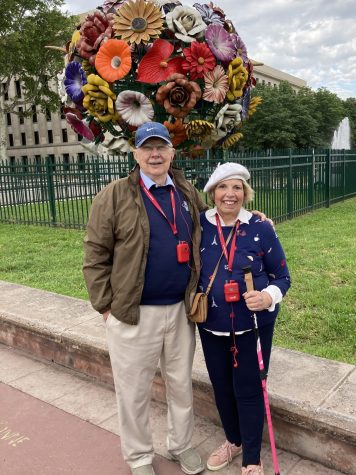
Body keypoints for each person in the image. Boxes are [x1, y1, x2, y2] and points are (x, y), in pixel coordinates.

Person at [82, 122, 207, 475]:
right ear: (135, 154)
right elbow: (95, 254)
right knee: (134, 392)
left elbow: (212, 226)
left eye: (161, 147)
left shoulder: (185, 191)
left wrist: (250, 219)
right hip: (134, 314)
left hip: (182, 312)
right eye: (147, 148)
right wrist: (106, 307)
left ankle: (181, 445)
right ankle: (138, 457)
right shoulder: (115, 195)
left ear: (171, 153)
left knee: (181, 386)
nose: (155, 154)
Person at [197, 163, 291, 475]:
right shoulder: (199, 225)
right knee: (221, 387)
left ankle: (252, 458)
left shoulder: (260, 228)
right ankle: (233, 441)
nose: (230, 194)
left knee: (249, 390)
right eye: (223, 187)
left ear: (245, 194)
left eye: (237, 188)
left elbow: (283, 277)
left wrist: (268, 297)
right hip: (211, 325)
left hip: (252, 327)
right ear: (213, 193)